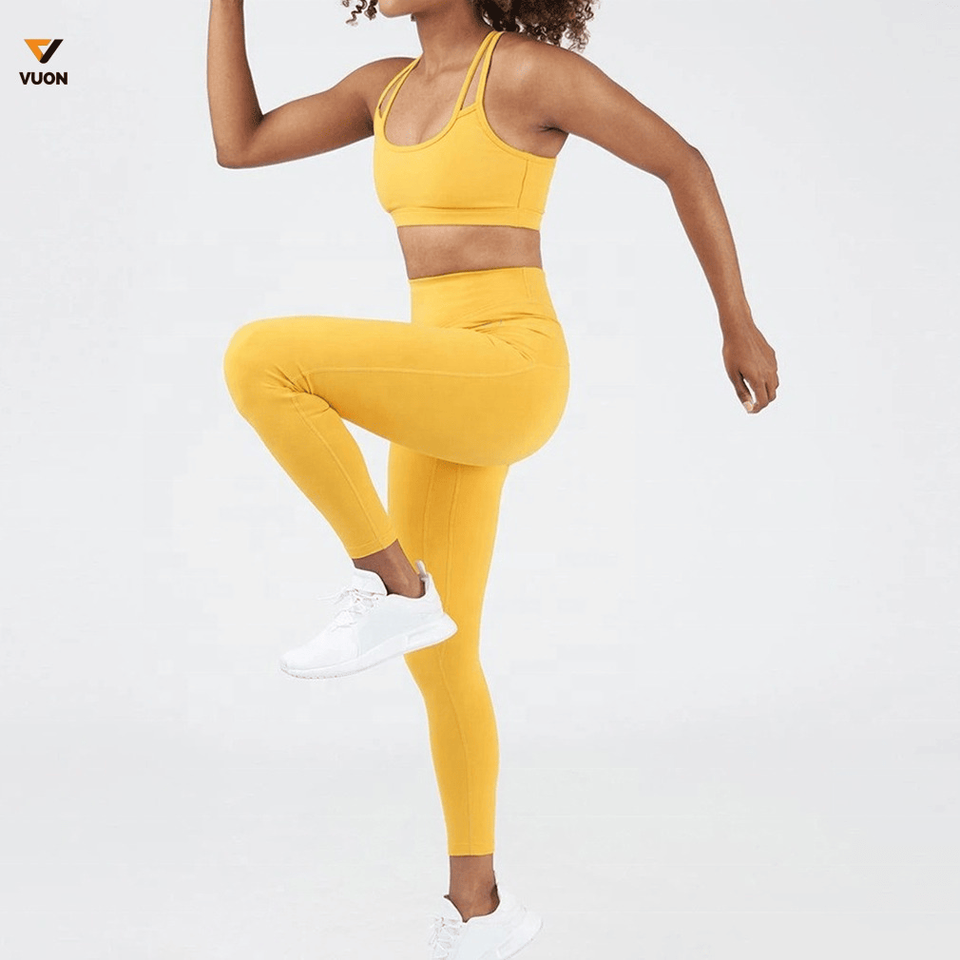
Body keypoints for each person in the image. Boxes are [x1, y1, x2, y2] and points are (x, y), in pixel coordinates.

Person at [207, 0, 779, 956]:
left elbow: (682, 162)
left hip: (511, 368)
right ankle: (482, 912)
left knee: (261, 357)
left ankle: (392, 584)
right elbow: (241, 143)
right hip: (436, 381)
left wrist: (738, 322)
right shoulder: (383, 88)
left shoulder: (525, 74)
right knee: (442, 658)